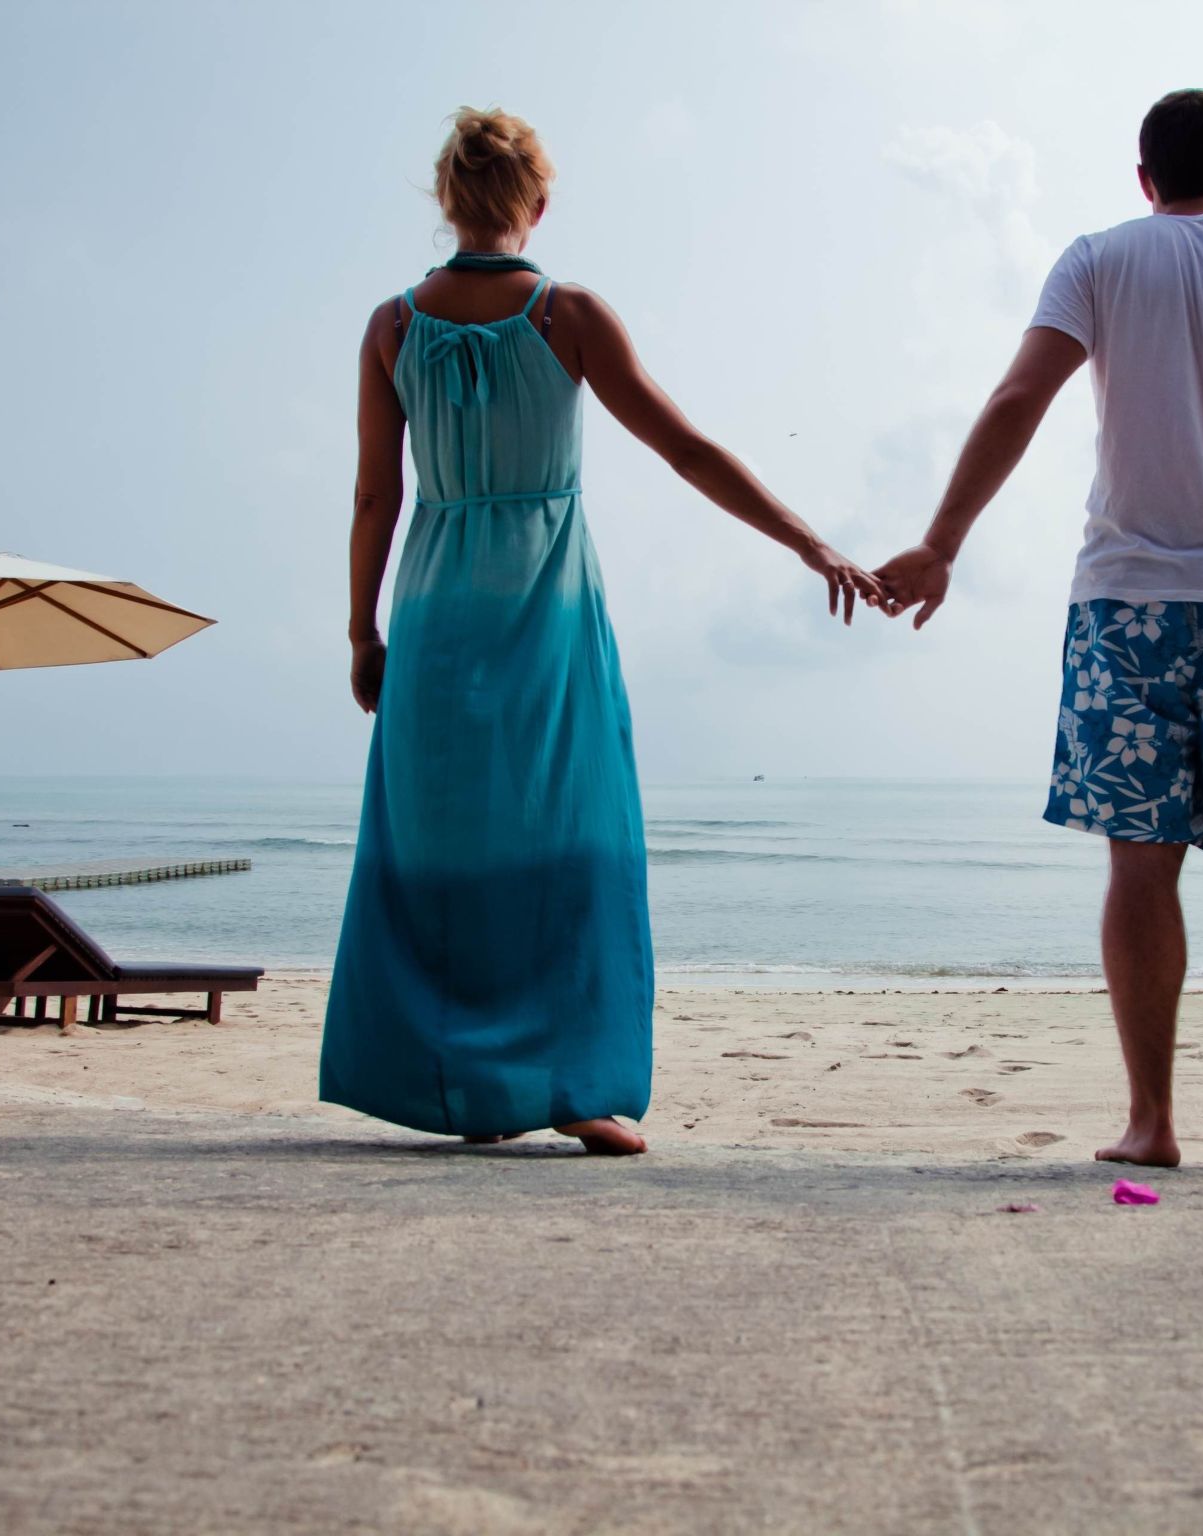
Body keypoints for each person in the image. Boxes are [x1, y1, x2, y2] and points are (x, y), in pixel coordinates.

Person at [323, 108, 883, 1155]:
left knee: (442, 845)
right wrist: (809, 543)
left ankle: (463, 1083)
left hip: (434, 605)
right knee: (567, 836)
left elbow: (372, 498)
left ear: (446, 202)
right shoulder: (566, 314)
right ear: (537, 204)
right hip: (545, 604)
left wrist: (359, 632)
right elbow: (685, 450)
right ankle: (569, 1088)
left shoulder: (391, 326)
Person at [875, 88, 1203, 1169]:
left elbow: (1019, 398)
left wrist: (942, 541)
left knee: (1138, 864)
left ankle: (1151, 1123)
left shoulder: (1097, 259)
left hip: (1124, 604)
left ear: (1143, 177)